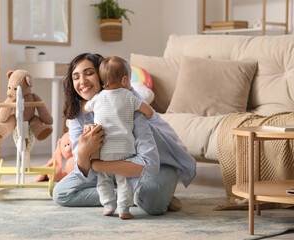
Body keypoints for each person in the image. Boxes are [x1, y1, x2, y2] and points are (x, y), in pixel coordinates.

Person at [53, 53, 196, 216]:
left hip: (157, 163)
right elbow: (83, 172)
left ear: (102, 76)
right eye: (76, 77)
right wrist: (83, 152)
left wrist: (92, 162)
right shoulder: (77, 114)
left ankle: (141, 194)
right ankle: (125, 196)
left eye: (89, 73)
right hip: (115, 165)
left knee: (153, 204)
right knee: (62, 193)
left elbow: (149, 163)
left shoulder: (128, 101)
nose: (82, 81)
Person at [81, 56, 154, 219]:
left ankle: (108, 205)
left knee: (103, 179)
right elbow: (149, 112)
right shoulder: (129, 97)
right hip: (125, 149)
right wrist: (146, 116)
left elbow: (85, 109)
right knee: (124, 180)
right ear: (124, 79)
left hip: (103, 149)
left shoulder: (97, 98)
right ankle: (124, 209)